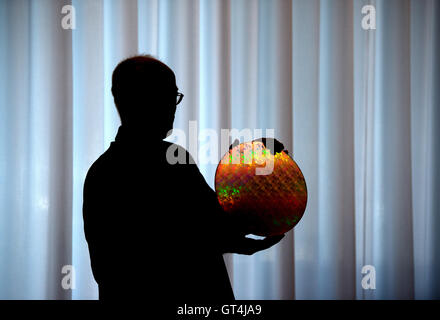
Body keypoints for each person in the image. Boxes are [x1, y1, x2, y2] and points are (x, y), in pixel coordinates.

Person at [83, 55, 284, 301]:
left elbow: (217, 226)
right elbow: (214, 230)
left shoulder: (104, 173)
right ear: (140, 99)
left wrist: (248, 166)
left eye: (174, 96)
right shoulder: (167, 161)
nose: (174, 106)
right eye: (168, 95)